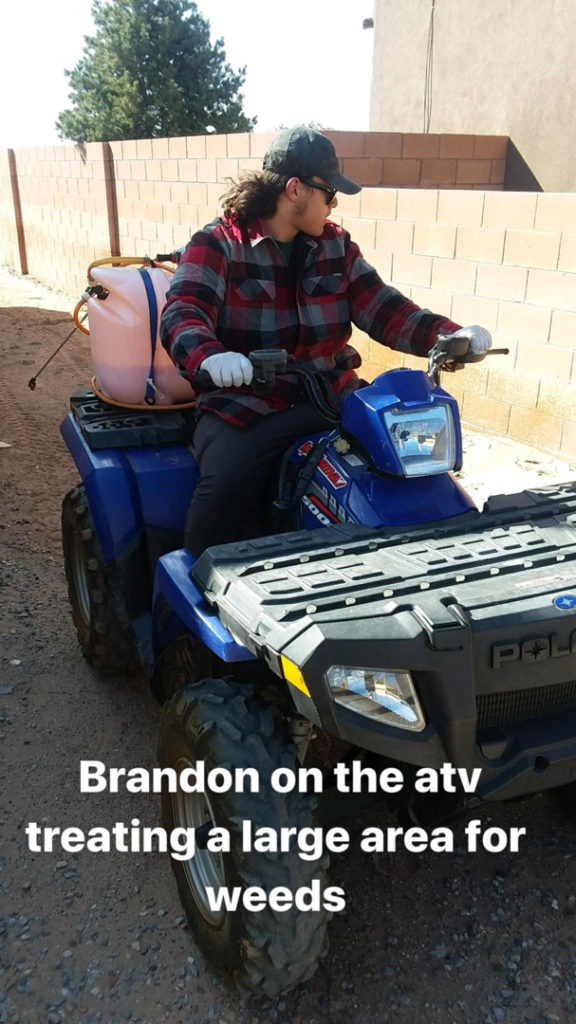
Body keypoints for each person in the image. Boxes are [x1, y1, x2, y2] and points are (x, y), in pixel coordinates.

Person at [160, 125, 492, 557]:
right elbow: (183, 311)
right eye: (328, 193)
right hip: (248, 406)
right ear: (295, 190)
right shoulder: (220, 244)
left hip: (333, 399)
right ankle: (198, 589)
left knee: (410, 469)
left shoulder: (335, 246)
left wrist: (450, 335)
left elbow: (384, 306)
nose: (334, 205)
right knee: (225, 484)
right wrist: (212, 358)